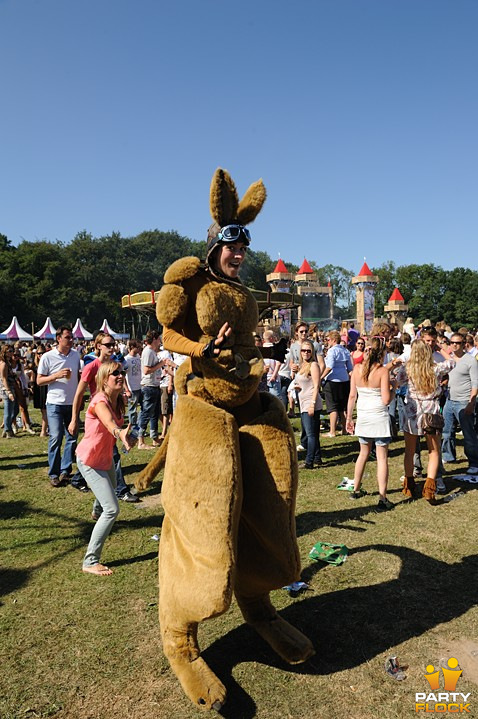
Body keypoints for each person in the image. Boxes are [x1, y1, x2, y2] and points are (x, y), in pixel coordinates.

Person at [134, 168, 313, 711]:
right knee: (204, 524)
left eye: (245, 245)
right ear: (216, 244)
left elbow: (246, 349)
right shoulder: (189, 277)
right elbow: (166, 333)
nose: (240, 252)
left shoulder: (241, 291)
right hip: (204, 414)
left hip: (251, 410)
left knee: (266, 514)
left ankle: (258, 608)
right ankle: (180, 641)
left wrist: (266, 356)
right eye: (232, 243)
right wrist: (200, 350)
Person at [76, 362, 136, 576]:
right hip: (90, 461)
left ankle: (96, 511)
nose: (120, 376)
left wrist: (128, 437)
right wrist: (120, 433)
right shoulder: (99, 400)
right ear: (103, 379)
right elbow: (110, 423)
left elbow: (118, 426)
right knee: (112, 509)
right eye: (115, 373)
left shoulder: (118, 400)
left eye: (122, 372)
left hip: (105, 459)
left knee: (104, 505)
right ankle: (90, 561)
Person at [68, 332, 138, 502]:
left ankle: (79, 478)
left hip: (112, 410)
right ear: (98, 346)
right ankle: (121, 490)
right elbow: (78, 394)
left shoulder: (115, 364)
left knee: (103, 453)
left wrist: (124, 391)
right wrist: (74, 419)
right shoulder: (91, 367)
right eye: (108, 344)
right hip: (99, 413)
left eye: (113, 344)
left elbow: (121, 378)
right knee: (111, 454)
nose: (112, 347)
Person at [395, 340, 455, 501]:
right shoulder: (435, 368)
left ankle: (409, 485)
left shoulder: (406, 369)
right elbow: (452, 362)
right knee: (434, 451)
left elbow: (396, 381)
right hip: (431, 412)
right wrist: (440, 348)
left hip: (412, 413)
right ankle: (429, 487)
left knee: (409, 450)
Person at [346, 337, 396, 510]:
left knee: (363, 454)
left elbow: (352, 396)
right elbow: (386, 400)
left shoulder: (357, 369)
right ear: (381, 353)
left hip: (364, 416)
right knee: (382, 458)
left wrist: (348, 418)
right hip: (379, 417)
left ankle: (356, 488)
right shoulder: (382, 371)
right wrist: (394, 388)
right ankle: (382, 497)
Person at [37, 327, 81, 487]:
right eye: (68, 337)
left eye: (72, 337)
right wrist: (56, 376)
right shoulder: (48, 357)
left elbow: (78, 377)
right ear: (58, 339)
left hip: (72, 403)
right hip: (55, 403)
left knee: (72, 437)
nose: (71, 340)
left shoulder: (76, 355)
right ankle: (54, 473)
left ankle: (65, 471)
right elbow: (39, 381)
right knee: (56, 437)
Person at [441, 332, 478, 475]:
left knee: (468, 434)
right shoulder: (449, 360)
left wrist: (471, 402)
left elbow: (475, 382)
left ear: (464, 345)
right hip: (449, 400)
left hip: (464, 401)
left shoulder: (470, 361)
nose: (454, 345)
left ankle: (474, 462)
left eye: (458, 343)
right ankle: (448, 456)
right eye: (452, 343)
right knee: (446, 431)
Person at [137, 330, 170, 449]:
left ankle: (155, 438)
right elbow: (146, 370)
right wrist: (161, 364)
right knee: (146, 413)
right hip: (148, 387)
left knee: (155, 414)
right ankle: (140, 441)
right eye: (159, 339)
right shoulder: (148, 351)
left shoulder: (152, 352)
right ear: (155, 339)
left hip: (154, 385)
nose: (160, 341)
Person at [294, 339, 323, 469]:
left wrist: (312, 404)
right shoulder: (302, 365)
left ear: (312, 352)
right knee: (313, 433)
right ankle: (317, 458)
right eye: (303, 350)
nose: (305, 353)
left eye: (308, 350)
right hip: (303, 401)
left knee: (310, 434)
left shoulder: (313, 365)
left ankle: (309, 461)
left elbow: (317, 386)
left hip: (310, 403)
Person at [322, 330, 353, 437]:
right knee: (342, 407)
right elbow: (350, 368)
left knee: (333, 407)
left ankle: (332, 431)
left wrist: (321, 377)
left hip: (333, 380)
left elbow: (329, 366)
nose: (327, 342)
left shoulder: (332, 351)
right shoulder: (345, 351)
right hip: (344, 380)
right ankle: (344, 429)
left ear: (334, 340)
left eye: (328, 339)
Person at [123, 340, 142, 426]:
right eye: (137, 347)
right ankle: (133, 427)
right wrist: (127, 389)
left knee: (143, 407)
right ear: (131, 348)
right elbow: (123, 376)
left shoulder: (138, 357)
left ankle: (140, 425)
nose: (139, 349)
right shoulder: (126, 360)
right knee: (132, 409)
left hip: (141, 386)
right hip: (132, 388)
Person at [0, 345, 18, 438]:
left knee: (14, 409)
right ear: (5, 352)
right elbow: (3, 379)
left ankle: (7, 428)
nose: (12, 353)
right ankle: (8, 430)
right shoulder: (4, 363)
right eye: (10, 351)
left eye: (12, 351)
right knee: (9, 411)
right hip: (7, 389)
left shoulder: (8, 362)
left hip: (10, 387)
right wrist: (9, 392)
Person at [32, 345, 49, 436]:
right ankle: (45, 429)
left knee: (45, 410)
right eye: (39, 353)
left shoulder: (47, 362)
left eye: (43, 353)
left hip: (45, 387)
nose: (41, 355)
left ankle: (43, 430)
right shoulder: (34, 364)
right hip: (38, 388)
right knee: (42, 410)